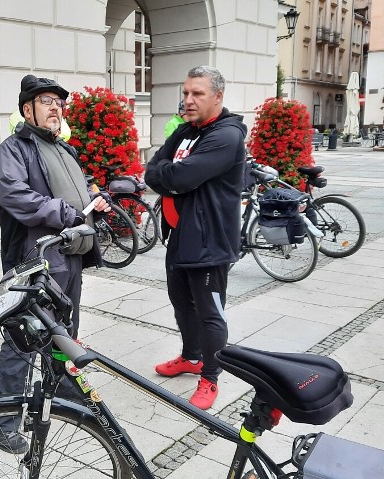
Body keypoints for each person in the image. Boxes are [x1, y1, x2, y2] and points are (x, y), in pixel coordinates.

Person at [0, 74, 110, 452]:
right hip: (36, 259)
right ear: (28, 110)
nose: (55, 108)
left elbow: (78, 193)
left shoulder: (63, 148)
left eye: (59, 102)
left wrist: (94, 204)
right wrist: (67, 212)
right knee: (23, 340)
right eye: (46, 102)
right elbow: (17, 197)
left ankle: (63, 398)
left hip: (68, 257)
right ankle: (1, 419)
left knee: (64, 333)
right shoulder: (13, 149)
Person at [144, 66, 247, 410]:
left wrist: (166, 176)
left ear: (217, 97)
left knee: (209, 312)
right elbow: (154, 167)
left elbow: (181, 175)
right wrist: (165, 175)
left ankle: (211, 375)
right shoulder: (187, 131)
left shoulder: (226, 135)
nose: (187, 100)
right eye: (186, 92)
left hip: (210, 241)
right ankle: (191, 357)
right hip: (182, 236)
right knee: (180, 301)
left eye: (197, 94)